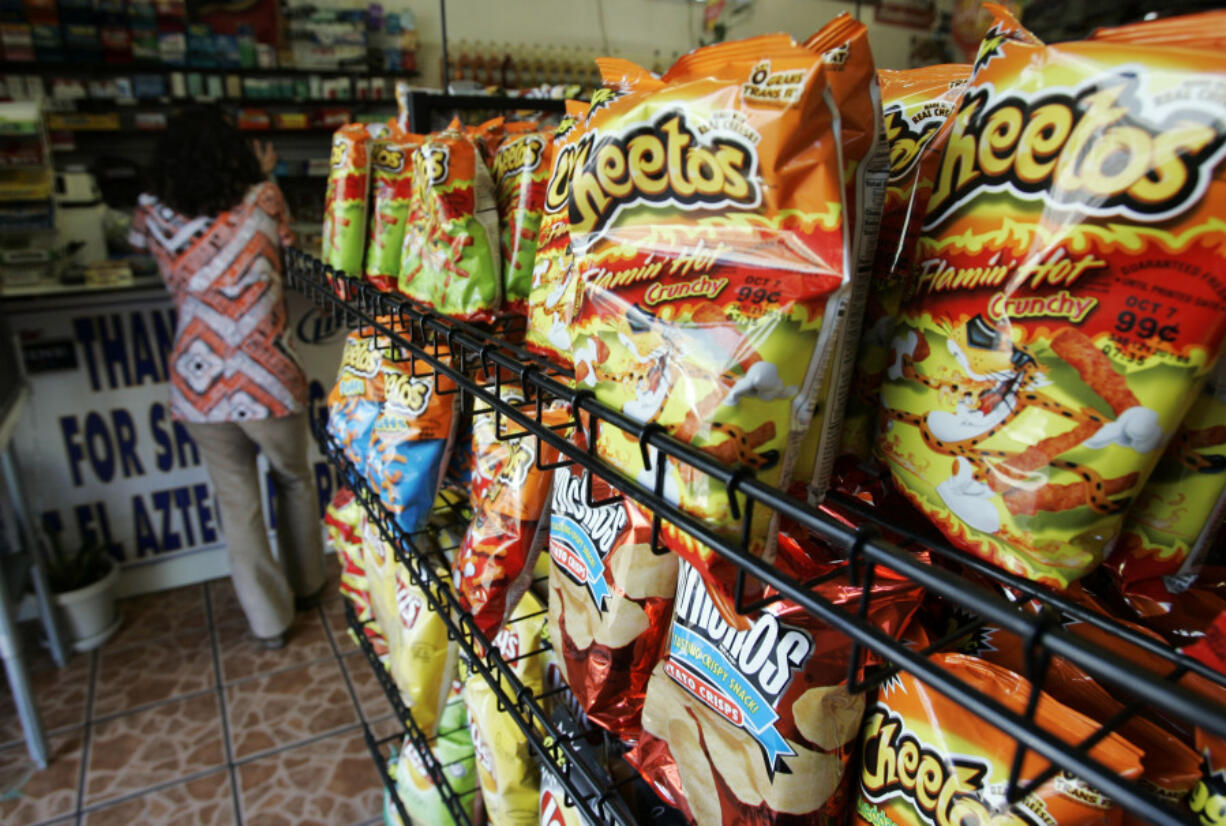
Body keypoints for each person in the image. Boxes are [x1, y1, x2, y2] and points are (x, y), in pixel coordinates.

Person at [129, 106, 324, 648]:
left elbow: (136, 247)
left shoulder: (151, 212)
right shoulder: (264, 198)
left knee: (236, 504)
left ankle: (269, 623)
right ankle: (309, 587)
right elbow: (290, 252)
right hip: (269, 376)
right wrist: (266, 174)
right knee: (294, 481)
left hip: (199, 385)